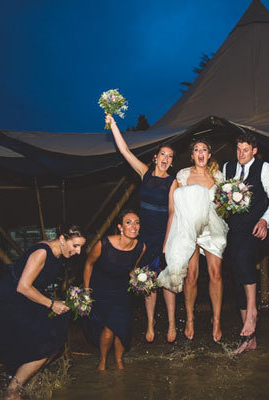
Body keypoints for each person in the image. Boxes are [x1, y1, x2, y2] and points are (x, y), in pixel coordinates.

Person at [0, 225, 86, 400]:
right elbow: (23, 287)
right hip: (10, 301)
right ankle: (11, 392)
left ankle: (24, 383)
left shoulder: (59, 253)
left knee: (55, 336)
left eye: (81, 247)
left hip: (26, 299)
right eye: (75, 246)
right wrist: (52, 303)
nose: (78, 252)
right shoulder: (43, 252)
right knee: (43, 346)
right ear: (62, 239)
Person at [106, 114, 178, 343]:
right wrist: (114, 124)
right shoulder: (144, 173)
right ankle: (150, 324)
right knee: (148, 281)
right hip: (145, 236)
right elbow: (125, 151)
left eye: (170, 156)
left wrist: (166, 243)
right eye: (162, 154)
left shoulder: (172, 181)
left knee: (166, 281)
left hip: (163, 236)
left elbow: (173, 212)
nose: (165, 158)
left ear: (171, 162)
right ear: (155, 157)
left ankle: (172, 323)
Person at [158, 138, 228, 342]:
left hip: (212, 227)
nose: (200, 153)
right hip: (190, 228)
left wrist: (226, 201)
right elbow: (177, 206)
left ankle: (216, 320)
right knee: (192, 275)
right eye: (196, 150)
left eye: (204, 150)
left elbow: (223, 204)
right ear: (191, 155)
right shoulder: (183, 175)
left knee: (216, 274)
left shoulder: (217, 175)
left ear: (209, 154)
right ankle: (190, 318)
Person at [222, 132, 269, 354]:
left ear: (254, 150)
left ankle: (253, 312)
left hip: (259, 228)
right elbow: (219, 196)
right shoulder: (228, 168)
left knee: (243, 257)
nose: (241, 154)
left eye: (245, 150)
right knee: (237, 273)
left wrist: (265, 220)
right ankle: (249, 337)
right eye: (238, 149)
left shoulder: (264, 167)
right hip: (235, 228)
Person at [83, 210, 146, 370]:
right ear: (120, 227)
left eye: (137, 222)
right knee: (110, 327)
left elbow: (133, 269)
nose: (134, 226)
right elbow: (88, 264)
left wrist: (141, 281)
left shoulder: (140, 247)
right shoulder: (103, 244)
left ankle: (119, 361)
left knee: (122, 327)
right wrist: (86, 291)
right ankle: (102, 362)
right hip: (101, 288)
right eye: (128, 222)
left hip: (121, 290)